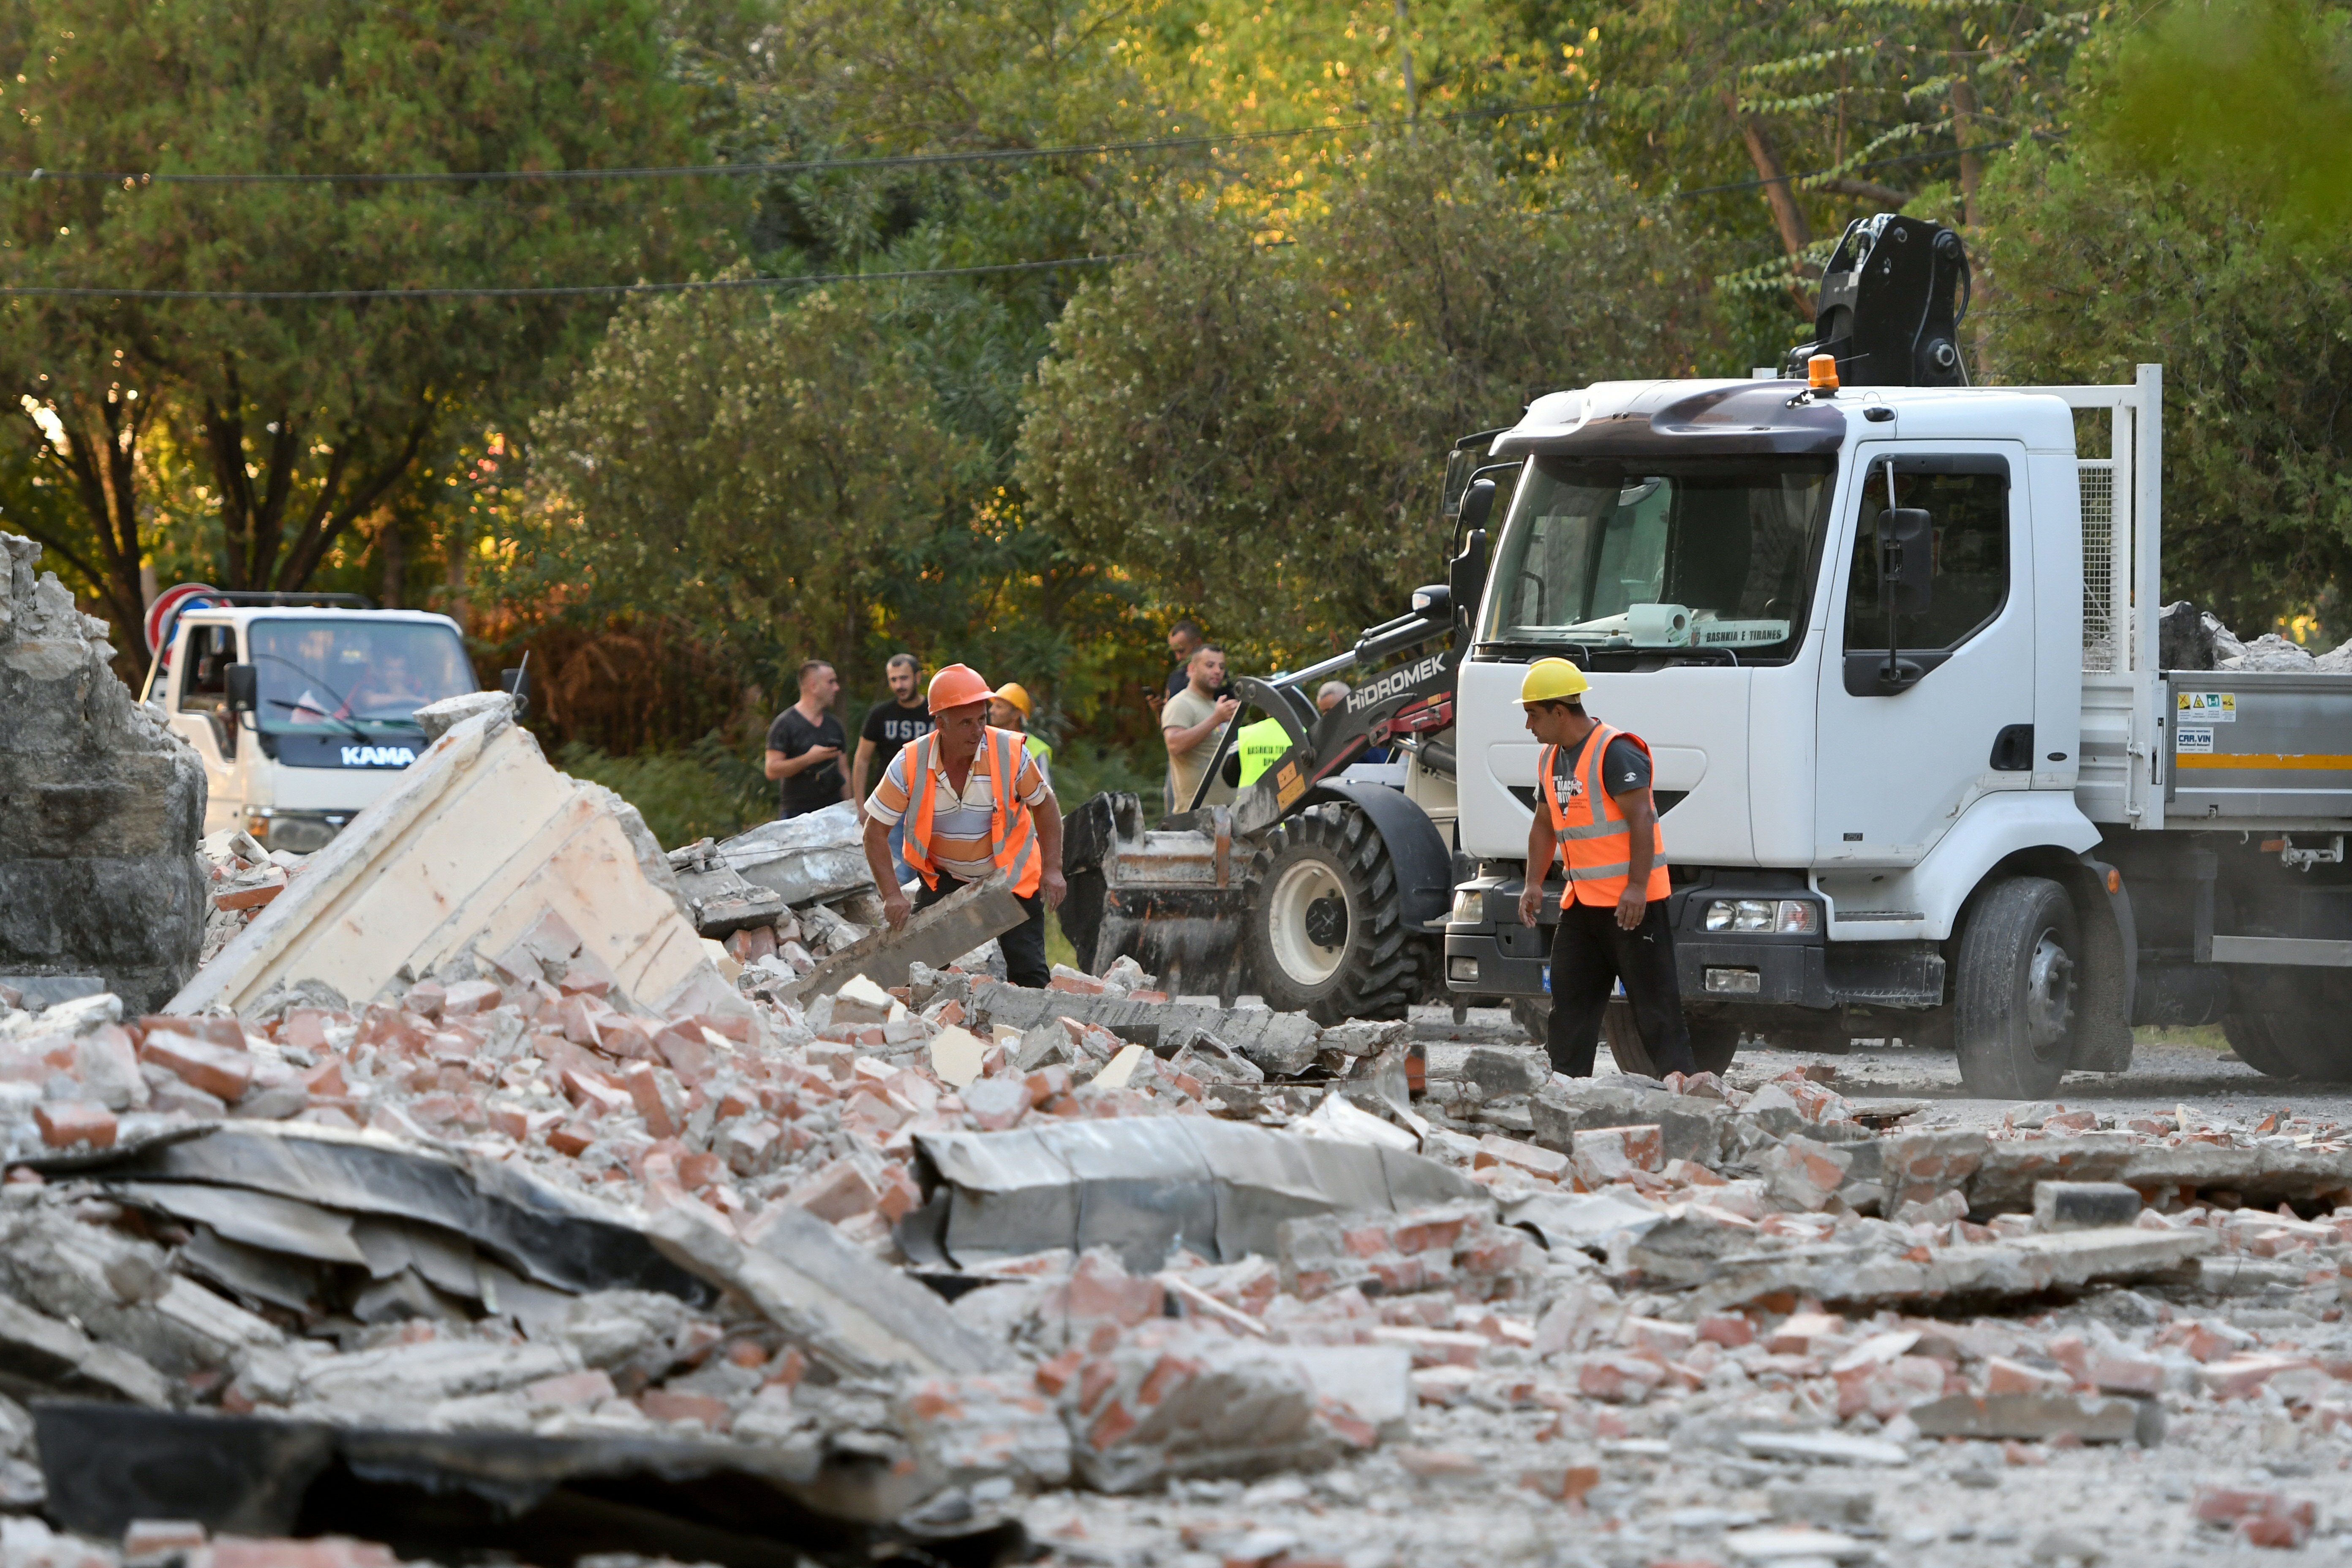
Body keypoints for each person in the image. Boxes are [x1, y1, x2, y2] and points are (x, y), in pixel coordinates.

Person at [1514, 657, 1696, 1078]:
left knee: (1656, 1010)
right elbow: (1544, 827)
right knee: (1570, 1006)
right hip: (1583, 906)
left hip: (1633, 906)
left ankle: (1689, 1097)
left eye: (1533, 715)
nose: (1529, 726)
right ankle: (1565, 1091)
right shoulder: (1548, 759)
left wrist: (1636, 887)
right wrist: (1532, 884)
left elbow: (1643, 820)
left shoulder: (1616, 751)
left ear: (1560, 711)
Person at [862, 664, 1066, 988]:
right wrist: (891, 894)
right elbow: (874, 832)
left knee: (1029, 972)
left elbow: (1045, 805)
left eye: (983, 719)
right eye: (966, 723)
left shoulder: (1011, 752)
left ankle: (1038, 1034)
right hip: (943, 875)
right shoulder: (910, 763)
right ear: (940, 724)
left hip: (1012, 873)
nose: (978, 730)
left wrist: (1053, 868)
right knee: (922, 972)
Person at [854, 654, 933, 884]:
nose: (900, 685)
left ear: (918, 677)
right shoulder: (880, 715)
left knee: (932, 864)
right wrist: (860, 805)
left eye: (905, 678)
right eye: (894, 680)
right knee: (899, 868)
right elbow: (862, 760)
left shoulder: (934, 712)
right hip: (892, 802)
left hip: (931, 801)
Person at [764, 660, 850, 819]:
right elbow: (771, 770)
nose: (837, 688)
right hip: (797, 814)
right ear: (813, 687)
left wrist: (851, 810)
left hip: (834, 812)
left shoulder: (835, 725)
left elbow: (844, 769)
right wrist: (809, 759)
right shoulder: (785, 725)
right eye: (831, 682)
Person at [1162, 644, 1238, 812]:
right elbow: (1174, 744)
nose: (1218, 671)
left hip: (1225, 815)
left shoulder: (1215, 707)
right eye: (1210, 666)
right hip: (1197, 816)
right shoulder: (1181, 703)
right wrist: (1216, 719)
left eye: (1222, 667)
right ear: (1191, 669)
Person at [988, 682, 1054, 787]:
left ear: (1016, 714)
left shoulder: (1037, 750)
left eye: (999, 707)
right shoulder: (986, 744)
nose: (991, 711)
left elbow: (1045, 793)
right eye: (993, 706)